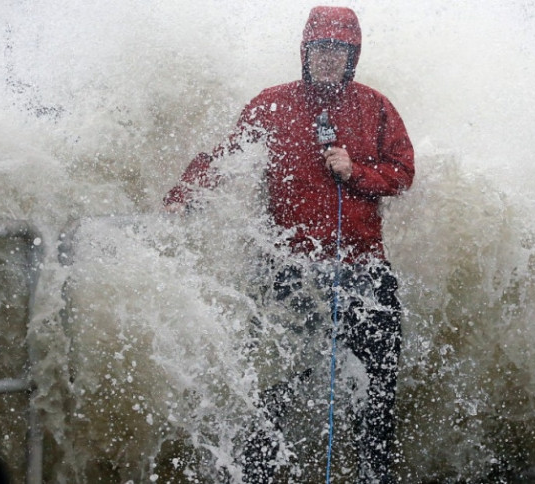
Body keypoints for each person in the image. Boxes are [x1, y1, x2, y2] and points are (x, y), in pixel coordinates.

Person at [164, 6, 414, 483]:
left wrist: (356, 172)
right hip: (289, 270)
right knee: (274, 384)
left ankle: (371, 476)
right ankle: (261, 474)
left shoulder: (376, 106)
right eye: (319, 50)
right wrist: (184, 195)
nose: (327, 60)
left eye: (338, 51)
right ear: (305, 52)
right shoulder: (271, 104)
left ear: (352, 56)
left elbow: (403, 173)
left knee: (379, 386)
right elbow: (228, 157)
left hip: (362, 269)